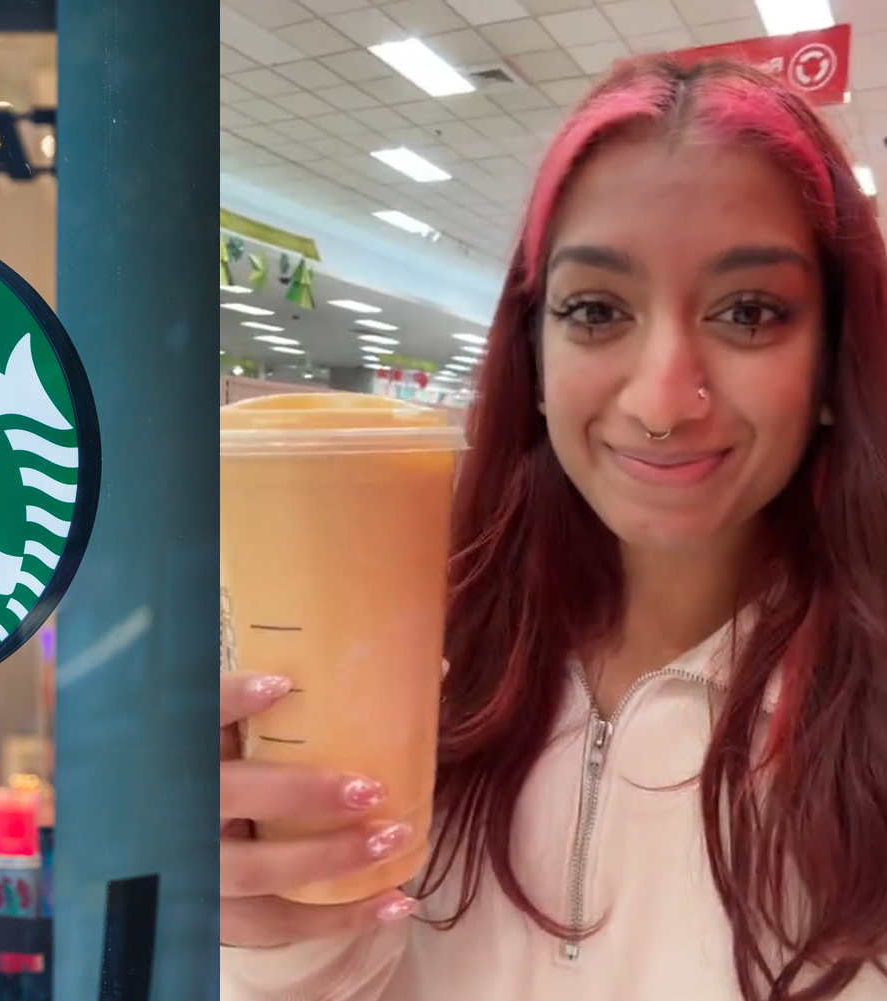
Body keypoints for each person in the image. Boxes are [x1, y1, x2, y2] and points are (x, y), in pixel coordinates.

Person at [220, 57, 887, 1001]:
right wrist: (273, 929)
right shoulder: (418, 665)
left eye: (749, 312)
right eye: (597, 311)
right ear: (534, 356)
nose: (663, 401)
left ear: (833, 362)